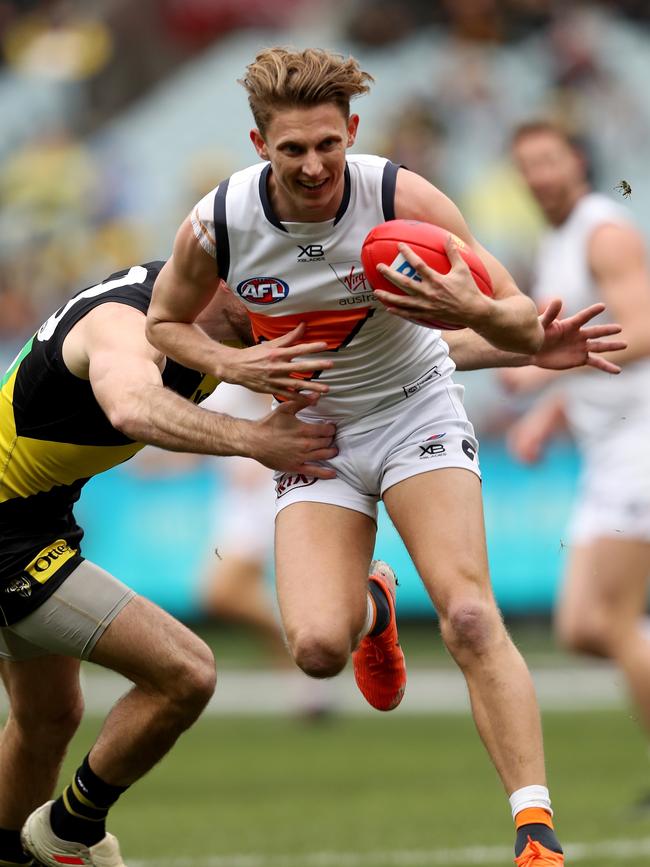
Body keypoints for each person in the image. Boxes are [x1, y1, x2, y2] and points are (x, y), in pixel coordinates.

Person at [145, 48, 624, 865]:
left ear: (352, 132)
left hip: (416, 412)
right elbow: (163, 324)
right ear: (259, 145)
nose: (313, 165)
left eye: (328, 144)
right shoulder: (219, 222)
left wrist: (469, 302)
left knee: (471, 615)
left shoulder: (401, 197)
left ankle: (536, 833)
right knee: (318, 648)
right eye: (292, 148)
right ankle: (374, 607)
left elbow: (514, 320)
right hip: (313, 435)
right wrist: (232, 365)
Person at [0, 260, 339, 867]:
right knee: (185, 672)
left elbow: (374, 360)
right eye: (267, 283)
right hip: (5, 533)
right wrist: (254, 438)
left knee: (48, 718)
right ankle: (68, 829)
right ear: (219, 277)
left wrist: (514, 342)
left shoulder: (219, 324)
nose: (283, 302)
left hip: (36, 518)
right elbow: (132, 406)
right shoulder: (122, 322)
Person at [503, 121, 650, 773]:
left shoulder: (603, 230)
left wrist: (541, 374)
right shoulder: (560, 238)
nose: (537, 175)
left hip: (638, 442)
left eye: (548, 160)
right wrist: (550, 410)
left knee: (614, 620)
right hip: (605, 449)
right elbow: (596, 339)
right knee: (581, 627)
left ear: (579, 163)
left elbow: (643, 330)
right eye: (526, 164)